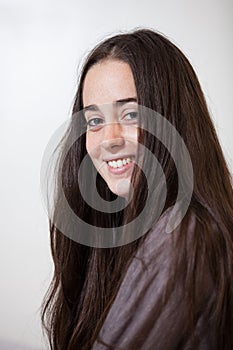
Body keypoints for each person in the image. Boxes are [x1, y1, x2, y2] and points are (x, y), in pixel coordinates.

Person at [41, 28, 233, 349]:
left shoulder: (186, 237)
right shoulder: (130, 233)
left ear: (175, 122)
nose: (110, 139)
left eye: (131, 114)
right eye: (95, 121)